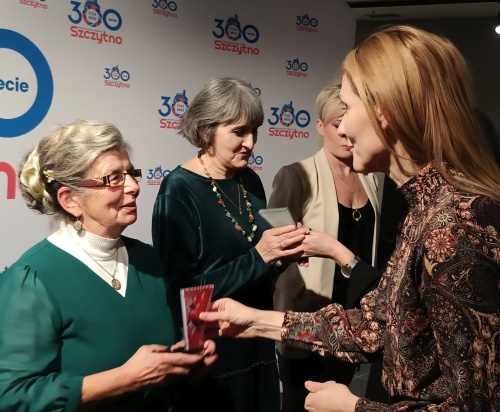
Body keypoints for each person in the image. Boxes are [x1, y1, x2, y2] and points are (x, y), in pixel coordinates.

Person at [200, 25, 500, 411]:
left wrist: (353, 408)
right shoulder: (425, 211)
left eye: (347, 108)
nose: (340, 127)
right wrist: (256, 321)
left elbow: (475, 405)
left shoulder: (455, 225)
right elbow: (378, 323)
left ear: (384, 112)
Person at [0, 119, 217, 411]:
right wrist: (125, 378)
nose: (135, 187)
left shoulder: (148, 260)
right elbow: (12, 396)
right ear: (70, 200)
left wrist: (191, 364)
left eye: (131, 173)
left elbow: (167, 378)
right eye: (114, 178)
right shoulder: (33, 278)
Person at [152, 77, 306, 411]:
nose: (250, 142)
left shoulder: (249, 179)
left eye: (255, 131)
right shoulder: (178, 189)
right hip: (212, 355)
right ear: (205, 130)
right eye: (239, 132)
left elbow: (259, 263)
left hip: (258, 342)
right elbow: (182, 293)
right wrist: (260, 257)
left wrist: (284, 254)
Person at [267, 78, 386, 410]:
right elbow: (274, 246)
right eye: (337, 125)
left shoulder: (373, 178)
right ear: (320, 126)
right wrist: (296, 244)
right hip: (306, 319)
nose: (346, 133)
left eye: (349, 124)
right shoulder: (295, 175)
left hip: (355, 321)